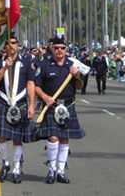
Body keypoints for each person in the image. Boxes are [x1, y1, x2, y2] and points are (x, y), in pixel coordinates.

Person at [35, 36, 85, 184]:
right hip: (52, 106)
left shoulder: (72, 65)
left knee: (64, 138)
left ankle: (61, 171)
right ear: (52, 49)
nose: (59, 50)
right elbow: (36, 86)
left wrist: (77, 77)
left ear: (65, 50)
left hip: (68, 105)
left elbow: (79, 87)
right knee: (53, 138)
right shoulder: (45, 65)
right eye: (56, 48)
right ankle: (51, 169)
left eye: (62, 48)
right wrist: (44, 97)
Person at [0, 33, 36, 184]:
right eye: (8, 43)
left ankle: (16, 168)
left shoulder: (27, 61)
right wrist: (4, 68)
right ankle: (5, 162)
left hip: (20, 102)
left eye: (14, 43)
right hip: (3, 103)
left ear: (18, 45)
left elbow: (30, 84)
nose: (11, 46)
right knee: (1, 137)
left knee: (17, 139)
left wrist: (32, 105)